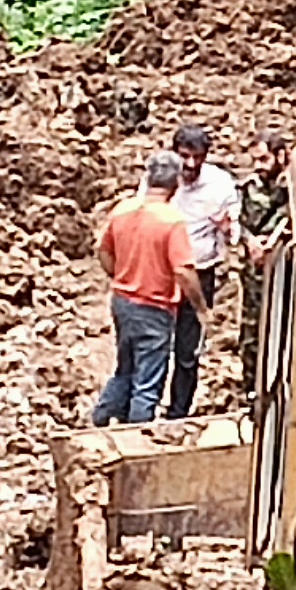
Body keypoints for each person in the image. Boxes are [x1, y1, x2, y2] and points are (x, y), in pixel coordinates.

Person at [92, 152, 198, 428]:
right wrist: (200, 306)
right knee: (148, 379)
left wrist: (119, 275)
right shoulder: (171, 221)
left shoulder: (122, 210)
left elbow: (102, 250)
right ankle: (136, 433)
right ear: (175, 183)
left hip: (122, 301)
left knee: (125, 367)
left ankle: (101, 417)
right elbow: (184, 271)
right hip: (154, 306)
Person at [166, 121, 243, 416]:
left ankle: (178, 412)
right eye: (185, 156)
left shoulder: (221, 184)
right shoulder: (160, 177)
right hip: (164, 273)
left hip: (200, 272)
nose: (191, 164)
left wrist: (226, 229)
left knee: (188, 349)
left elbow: (235, 231)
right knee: (155, 342)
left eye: (198, 157)